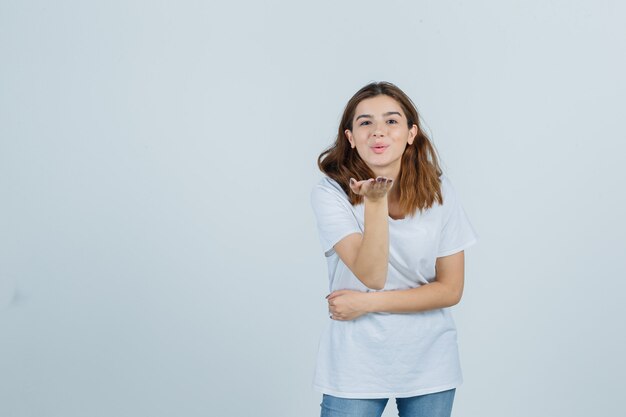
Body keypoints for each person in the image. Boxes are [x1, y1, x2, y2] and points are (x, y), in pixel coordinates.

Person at [310, 81, 479, 417]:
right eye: (365, 123)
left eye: (391, 121)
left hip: (430, 362)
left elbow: (451, 289)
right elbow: (372, 274)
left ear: (411, 133)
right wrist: (374, 202)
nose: (378, 132)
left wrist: (366, 304)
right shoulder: (331, 193)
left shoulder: (440, 190)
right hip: (356, 364)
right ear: (350, 138)